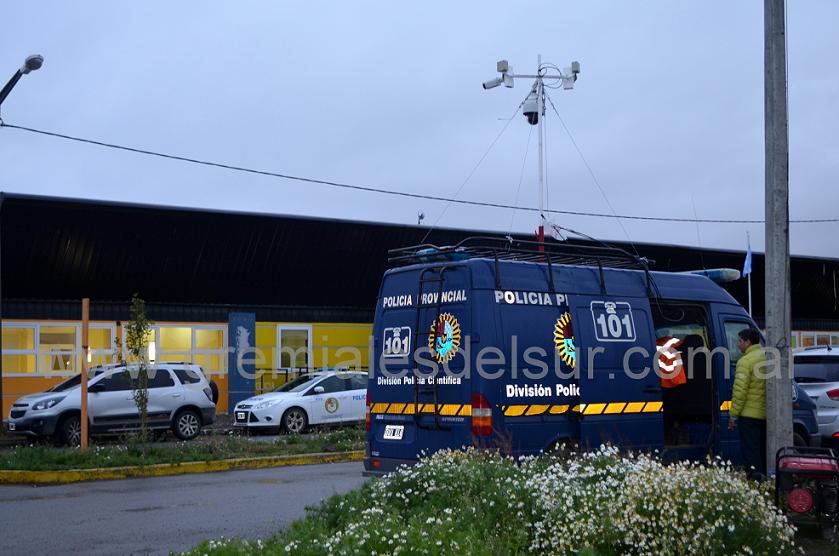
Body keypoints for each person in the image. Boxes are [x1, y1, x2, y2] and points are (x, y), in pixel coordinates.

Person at [727, 327, 766, 479]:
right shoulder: (768, 357)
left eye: (740, 341)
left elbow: (740, 392)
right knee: (764, 451)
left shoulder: (745, 361)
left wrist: (733, 416)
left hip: (749, 416)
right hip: (765, 415)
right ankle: (767, 482)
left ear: (748, 342)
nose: (738, 344)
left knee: (751, 453)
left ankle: (755, 482)